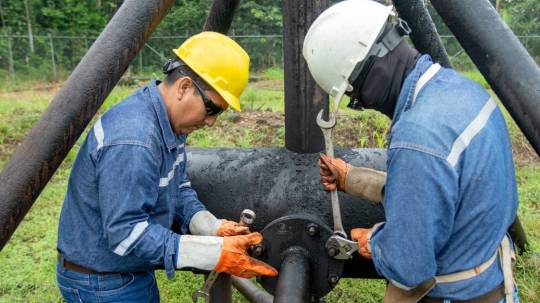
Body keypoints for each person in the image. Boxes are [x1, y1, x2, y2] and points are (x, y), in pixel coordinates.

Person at [303, 1, 518, 302]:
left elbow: (409, 266)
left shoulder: (418, 136)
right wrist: (352, 178)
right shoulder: (464, 91)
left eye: (355, 97)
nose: (364, 105)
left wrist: (375, 242)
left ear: (369, 76)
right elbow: (446, 191)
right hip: (492, 279)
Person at [56, 31, 277, 302]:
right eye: (212, 109)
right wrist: (211, 253)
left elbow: (178, 186)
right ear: (184, 87)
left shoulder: (168, 124)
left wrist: (209, 226)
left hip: (126, 273)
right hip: (102, 283)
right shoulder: (135, 141)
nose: (212, 122)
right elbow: (126, 233)